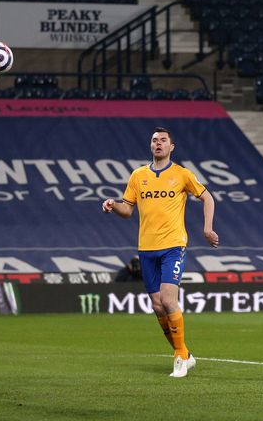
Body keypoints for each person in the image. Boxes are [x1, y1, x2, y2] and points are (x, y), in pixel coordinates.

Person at [101, 127, 219, 378]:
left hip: (173, 245)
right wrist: (114, 205)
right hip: (146, 248)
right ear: (150, 146)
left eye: (163, 140)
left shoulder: (182, 174)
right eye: (154, 140)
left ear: (171, 147)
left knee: (168, 299)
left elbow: (208, 198)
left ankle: (178, 359)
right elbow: (128, 210)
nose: (158, 143)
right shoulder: (138, 175)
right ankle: (185, 353)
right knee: (157, 306)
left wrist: (207, 228)